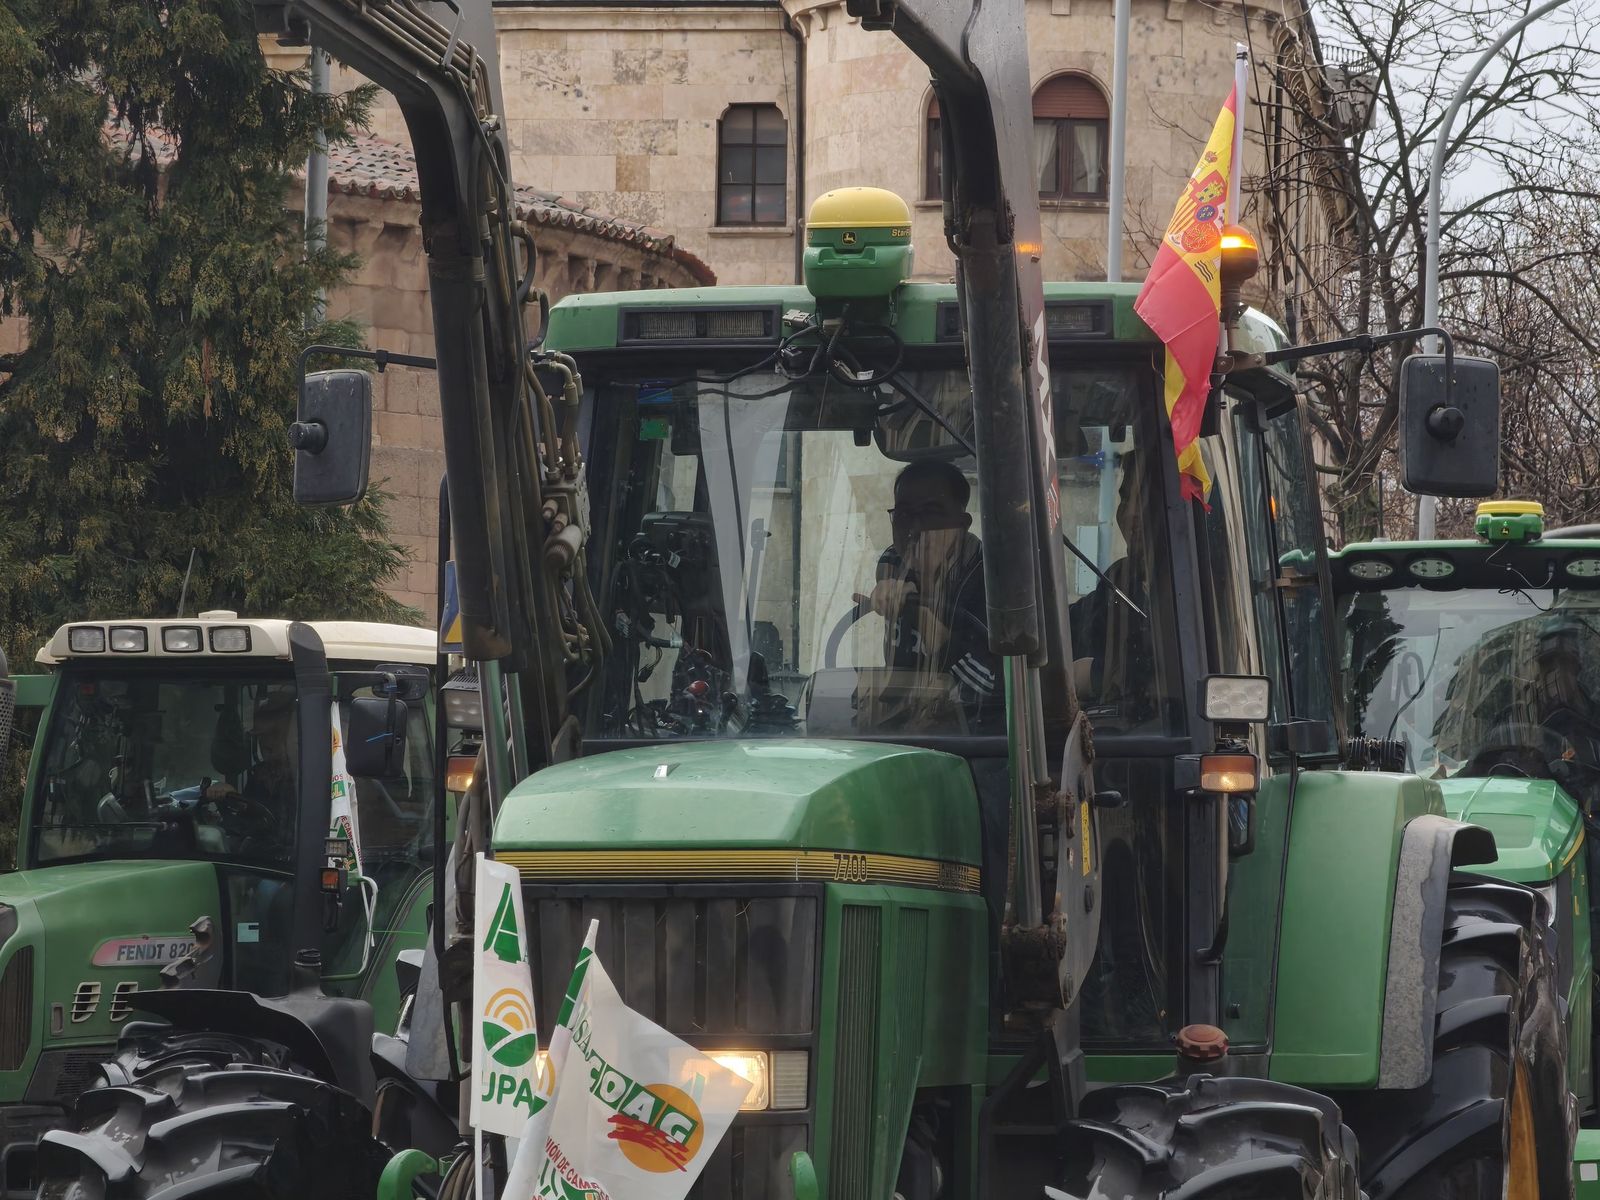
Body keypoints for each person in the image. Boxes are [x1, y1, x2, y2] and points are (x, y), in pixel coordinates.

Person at [854, 460, 1000, 730]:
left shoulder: (990, 582)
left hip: (974, 739)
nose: (916, 530)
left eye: (933, 515)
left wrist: (918, 613)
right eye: (904, 515)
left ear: (962, 524)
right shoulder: (892, 561)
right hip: (905, 726)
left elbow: (981, 688)